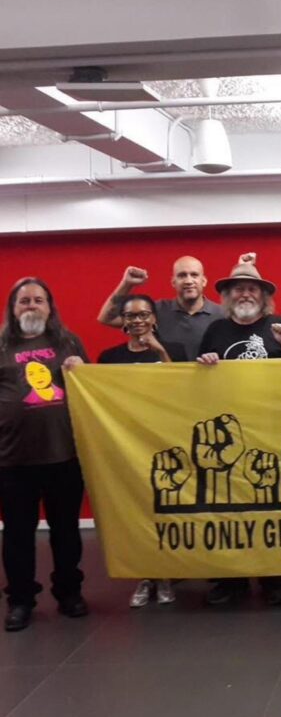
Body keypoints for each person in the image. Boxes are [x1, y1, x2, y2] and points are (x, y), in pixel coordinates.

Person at [197, 261, 281, 607]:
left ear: (263, 296)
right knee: (229, 506)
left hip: (269, 430)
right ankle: (232, 579)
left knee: (270, 505)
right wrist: (204, 364)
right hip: (226, 433)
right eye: (239, 289)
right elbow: (197, 381)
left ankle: (273, 579)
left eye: (252, 288)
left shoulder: (279, 326)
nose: (245, 294)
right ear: (228, 296)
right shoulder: (215, 330)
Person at [0, 278, 88, 632]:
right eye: (24, 301)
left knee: (66, 531)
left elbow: (91, 391)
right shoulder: (2, 345)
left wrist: (83, 369)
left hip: (64, 456)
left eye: (38, 300)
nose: (32, 305)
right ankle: (20, 600)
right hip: (13, 459)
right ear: (12, 308)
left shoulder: (68, 342)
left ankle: (69, 593)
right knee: (17, 535)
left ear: (50, 307)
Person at [98, 294, 186, 608]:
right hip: (127, 444)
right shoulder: (110, 357)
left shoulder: (174, 350)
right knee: (137, 513)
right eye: (131, 316)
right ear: (123, 321)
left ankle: (166, 575)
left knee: (165, 511)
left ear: (154, 318)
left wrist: (159, 351)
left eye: (144, 314)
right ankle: (145, 576)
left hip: (165, 441)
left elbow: (183, 388)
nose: (138, 321)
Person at [97, 255, 225, 361]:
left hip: (207, 381)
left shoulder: (222, 314)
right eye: (182, 275)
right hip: (168, 380)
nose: (188, 281)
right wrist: (127, 284)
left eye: (194, 275)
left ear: (204, 281)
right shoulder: (157, 311)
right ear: (173, 282)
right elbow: (107, 318)